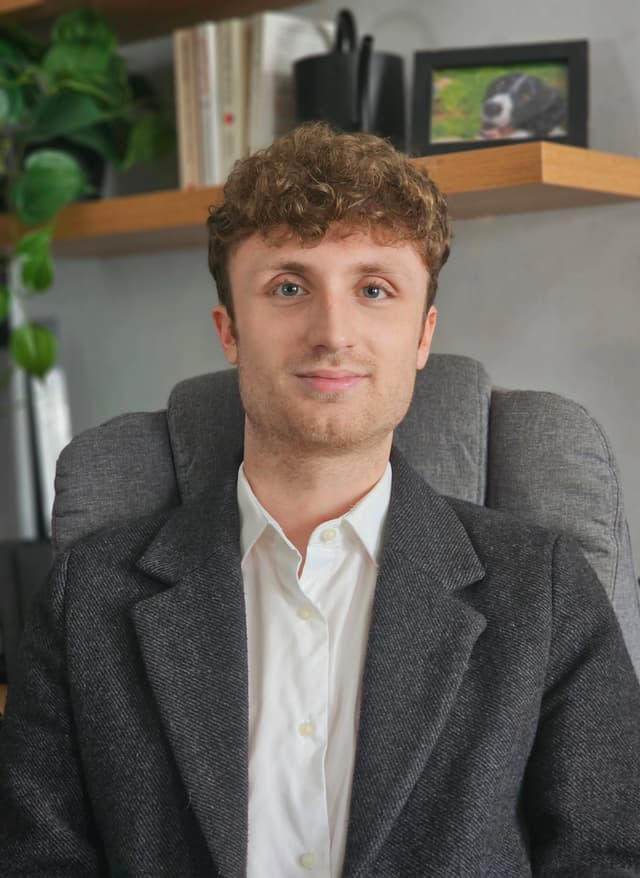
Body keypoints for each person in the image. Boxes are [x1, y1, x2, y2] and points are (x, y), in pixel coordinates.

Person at [1, 122, 640, 877]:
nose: (333, 333)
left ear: (423, 336)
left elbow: (610, 857)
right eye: (290, 287)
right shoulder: (87, 599)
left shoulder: (547, 590)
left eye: (375, 289)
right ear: (230, 330)